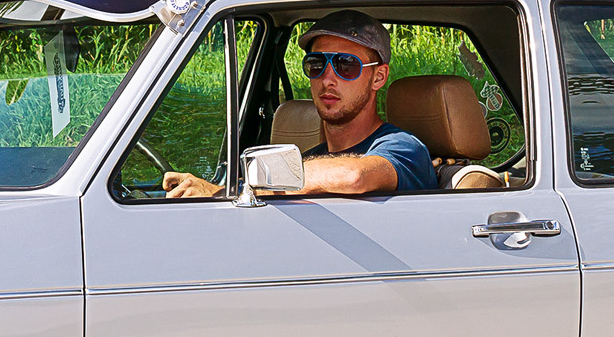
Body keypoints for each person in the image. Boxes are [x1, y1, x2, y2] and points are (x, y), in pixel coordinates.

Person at [165, 10, 436, 198]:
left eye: (346, 65)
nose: (327, 78)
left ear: (378, 77)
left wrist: (232, 189)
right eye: (316, 64)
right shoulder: (310, 162)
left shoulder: (403, 147)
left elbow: (355, 176)